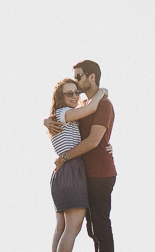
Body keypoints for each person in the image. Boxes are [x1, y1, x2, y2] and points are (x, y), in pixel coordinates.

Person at [46, 60, 117, 252]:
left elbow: (94, 140)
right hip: (79, 172)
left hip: (99, 173)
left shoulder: (102, 104)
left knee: (97, 227)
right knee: (87, 229)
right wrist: (46, 121)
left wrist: (66, 156)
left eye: (78, 77)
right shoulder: (83, 107)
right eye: (70, 92)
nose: (75, 89)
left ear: (91, 77)